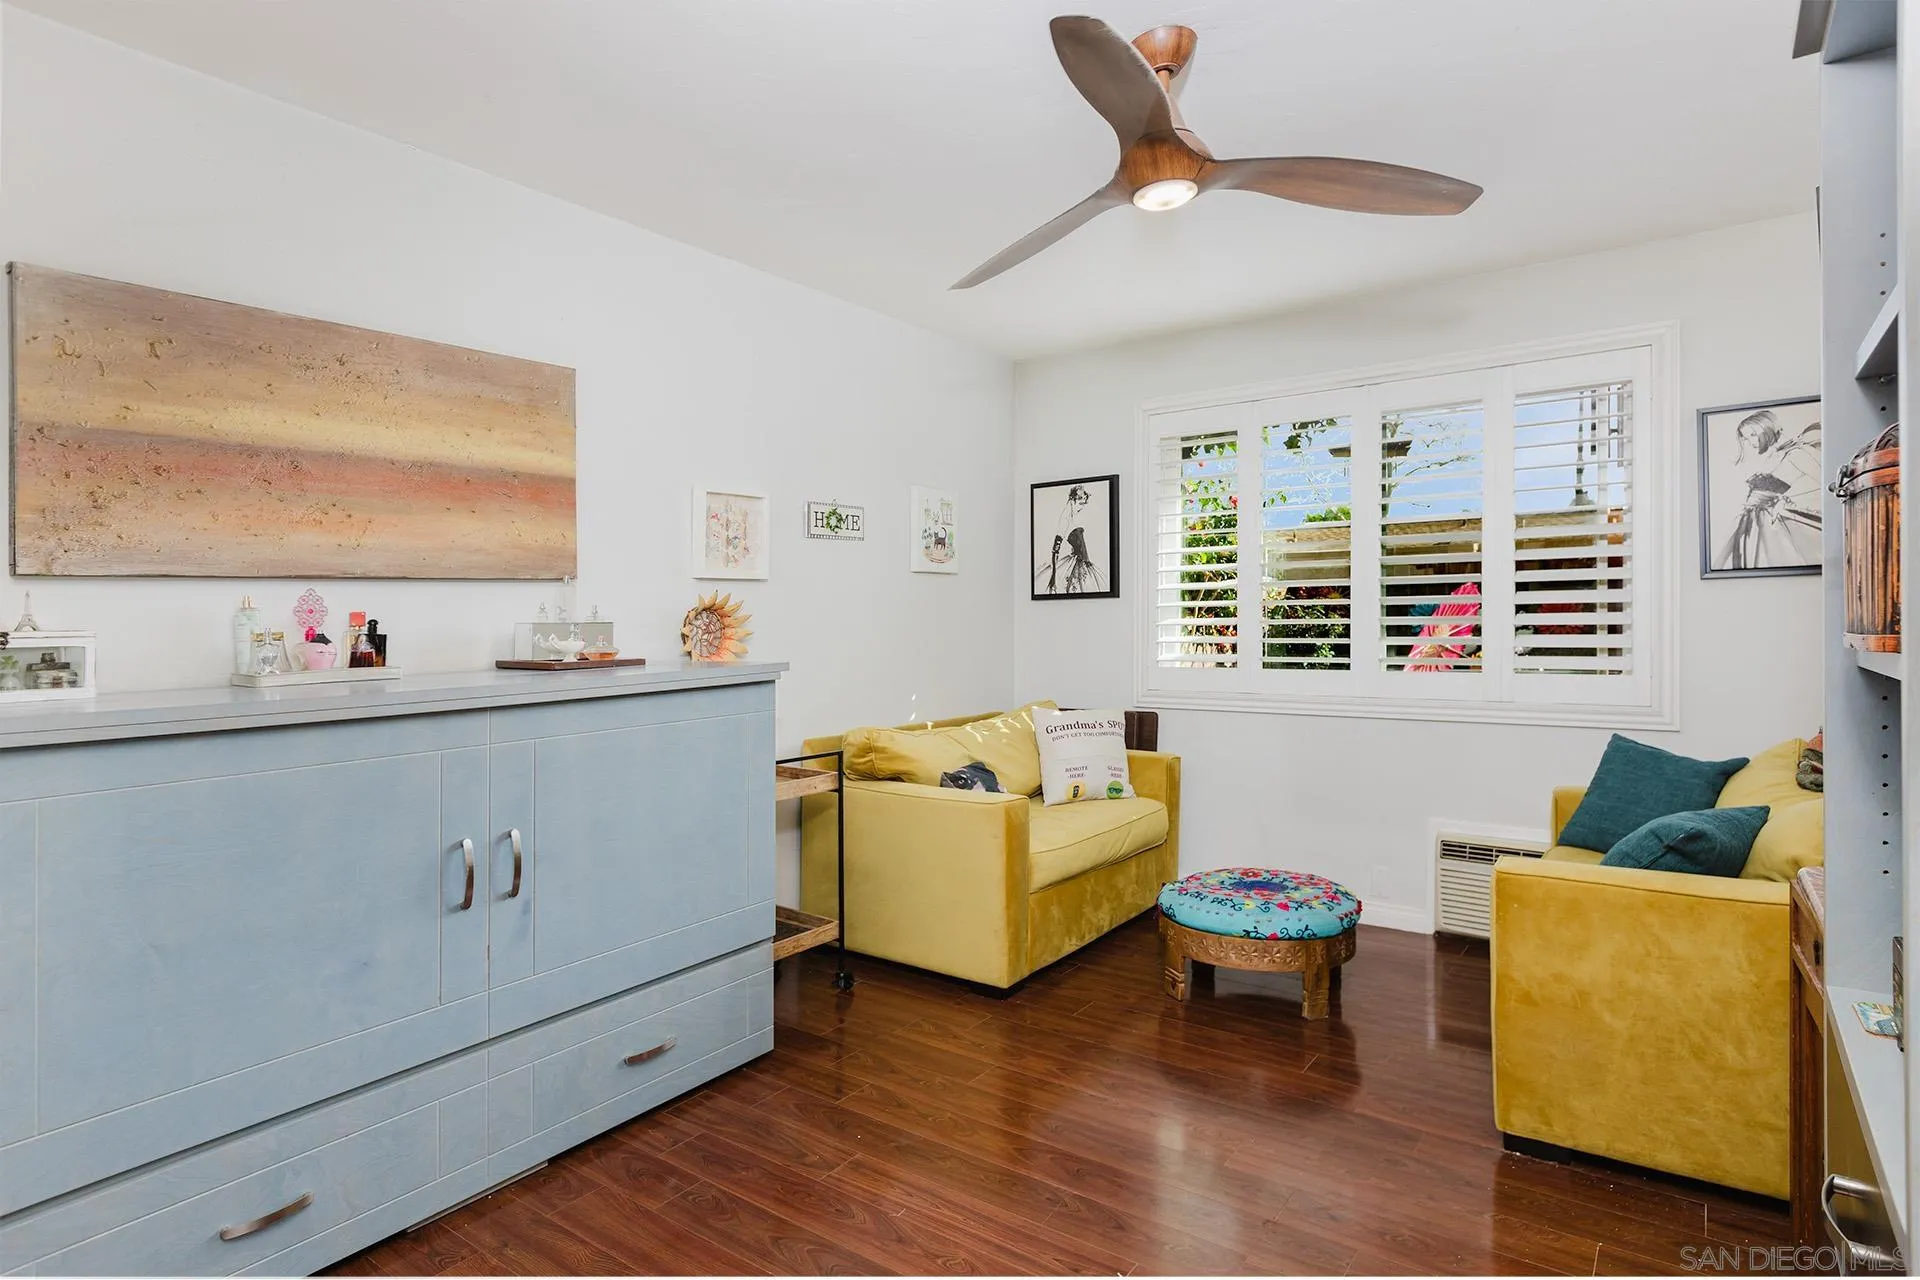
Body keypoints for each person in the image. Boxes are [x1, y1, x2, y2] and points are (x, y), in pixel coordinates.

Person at [1715, 409, 1821, 571]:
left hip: (1767, 520)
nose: (1750, 442)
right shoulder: (1776, 454)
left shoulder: (1796, 453)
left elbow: (1823, 481)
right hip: (1750, 518)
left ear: (1765, 428)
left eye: (1752, 435)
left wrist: (1786, 500)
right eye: (1745, 437)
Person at [1037, 484, 1104, 594]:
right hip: (1075, 565)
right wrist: (1053, 577)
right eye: (1081, 499)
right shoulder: (1065, 518)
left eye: (1085, 498)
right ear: (1072, 500)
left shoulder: (1078, 515)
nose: (1084, 503)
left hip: (1085, 562)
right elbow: (1055, 549)